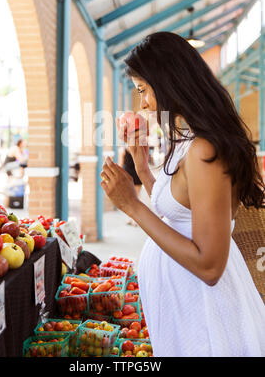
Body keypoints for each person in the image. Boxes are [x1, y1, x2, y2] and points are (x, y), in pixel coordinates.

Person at [100, 31, 265, 357]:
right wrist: (142, 166)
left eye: (144, 90)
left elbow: (210, 266)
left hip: (209, 320)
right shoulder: (185, 139)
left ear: (169, 81)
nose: (143, 102)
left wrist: (132, 206)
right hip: (187, 311)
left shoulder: (204, 151)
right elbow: (178, 215)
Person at [118, 147, 142, 226]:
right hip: (137, 174)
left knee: (130, 198)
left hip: (127, 175)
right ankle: (135, 220)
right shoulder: (138, 150)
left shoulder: (123, 150)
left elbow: (120, 165)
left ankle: (131, 218)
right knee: (137, 198)